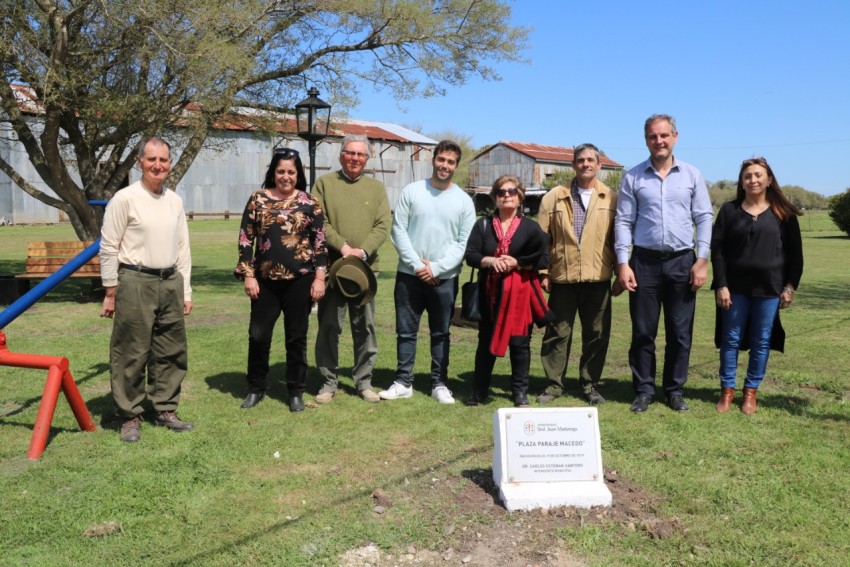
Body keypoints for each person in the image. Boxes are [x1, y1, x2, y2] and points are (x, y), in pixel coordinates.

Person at [615, 114, 713, 413]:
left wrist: (702, 260)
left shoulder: (692, 175)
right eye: (652, 136)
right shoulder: (633, 177)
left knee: (680, 333)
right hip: (643, 262)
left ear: (675, 136)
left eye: (664, 135)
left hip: (682, 261)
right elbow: (623, 220)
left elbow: (704, 218)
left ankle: (674, 390)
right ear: (646, 140)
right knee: (643, 331)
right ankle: (644, 390)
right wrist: (622, 263)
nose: (659, 141)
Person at [100, 136, 193, 443]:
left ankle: (165, 408)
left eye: (163, 159)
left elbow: (183, 248)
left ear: (170, 163)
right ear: (139, 161)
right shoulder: (124, 199)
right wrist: (110, 289)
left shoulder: (174, 201)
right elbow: (109, 247)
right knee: (131, 350)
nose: (158, 165)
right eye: (151, 159)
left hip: (170, 281)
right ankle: (129, 415)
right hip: (135, 280)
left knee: (171, 349)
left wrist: (186, 290)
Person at [380, 140, 476, 404]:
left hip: (444, 279)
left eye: (451, 162)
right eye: (441, 159)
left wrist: (435, 268)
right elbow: (398, 230)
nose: (445, 165)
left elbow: (463, 243)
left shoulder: (464, 201)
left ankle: (439, 383)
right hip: (409, 276)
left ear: (456, 165)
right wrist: (418, 266)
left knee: (441, 332)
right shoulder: (412, 191)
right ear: (433, 159)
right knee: (406, 331)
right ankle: (403, 382)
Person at [235, 148, 327, 413]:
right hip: (264, 282)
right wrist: (248, 275)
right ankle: (255, 388)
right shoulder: (258, 199)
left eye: (291, 172)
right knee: (258, 335)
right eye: (281, 171)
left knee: (296, 337)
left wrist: (319, 278)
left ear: (298, 175)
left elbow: (320, 244)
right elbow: (245, 239)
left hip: (300, 281)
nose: (285, 177)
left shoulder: (310, 203)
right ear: (273, 173)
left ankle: (296, 391)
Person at [711, 157, 803, 415]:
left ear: (769, 179)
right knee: (730, 340)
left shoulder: (783, 214)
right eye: (747, 175)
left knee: (761, 341)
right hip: (734, 289)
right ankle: (727, 391)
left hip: (769, 289)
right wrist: (721, 284)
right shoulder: (729, 211)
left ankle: (750, 392)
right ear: (742, 181)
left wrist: (789, 288)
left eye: (758, 175)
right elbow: (717, 251)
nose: (753, 179)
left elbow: (796, 256)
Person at [313, 135, 392, 404]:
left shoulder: (376, 189)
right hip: (334, 269)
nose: (355, 158)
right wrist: (343, 247)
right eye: (350, 153)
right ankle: (328, 382)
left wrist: (362, 251)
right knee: (329, 325)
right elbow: (318, 221)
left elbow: (383, 225)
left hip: (367, 271)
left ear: (367, 159)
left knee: (365, 327)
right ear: (340, 155)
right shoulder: (324, 184)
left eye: (360, 155)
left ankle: (364, 381)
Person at [537, 143, 618, 406]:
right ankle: (553, 384)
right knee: (557, 333)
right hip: (562, 277)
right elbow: (542, 240)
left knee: (596, 334)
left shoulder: (611, 198)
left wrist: (620, 272)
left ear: (599, 165)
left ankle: (590, 384)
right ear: (573, 164)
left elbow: (619, 239)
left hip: (599, 277)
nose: (585, 164)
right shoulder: (553, 198)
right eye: (580, 160)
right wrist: (543, 271)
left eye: (590, 160)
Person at [464, 175, 551, 407]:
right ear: (495, 197)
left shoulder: (531, 227)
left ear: (520, 196)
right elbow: (470, 254)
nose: (507, 196)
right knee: (485, 342)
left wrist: (518, 263)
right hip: (489, 294)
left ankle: (519, 393)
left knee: (520, 343)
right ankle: (480, 390)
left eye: (512, 192)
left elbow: (543, 256)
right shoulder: (482, 225)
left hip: (520, 294)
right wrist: (491, 262)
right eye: (501, 192)